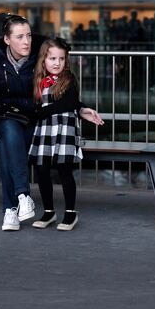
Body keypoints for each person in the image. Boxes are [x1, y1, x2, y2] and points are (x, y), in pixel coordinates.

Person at [0, 14, 103, 232]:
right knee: (9, 133)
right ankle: (22, 195)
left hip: (34, 119)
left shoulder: (39, 56)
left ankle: (11, 210)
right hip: (8, 117)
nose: (26, 41)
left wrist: (80, 109)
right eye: (20, 37)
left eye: (29, 35)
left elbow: (63, 91)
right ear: (7, 40)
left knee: (7, 148)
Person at [29, 38, 100, 231]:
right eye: (52, 58)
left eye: (61, 59)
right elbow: (34, 106)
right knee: (41, 169)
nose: (57, 63)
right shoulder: (39, 81)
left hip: (64, 129)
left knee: (64, 169)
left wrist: (41, 112)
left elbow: (69, 103)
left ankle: (70, 213)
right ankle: (49, 211)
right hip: (44, 130)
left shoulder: (69, 79)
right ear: (44, 59)